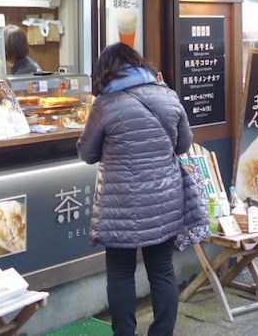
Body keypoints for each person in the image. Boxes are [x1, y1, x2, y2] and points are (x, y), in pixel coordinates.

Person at [77, 43, 203, 336]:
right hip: (164, 199)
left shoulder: (105, 105)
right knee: (161, 270)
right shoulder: (168, 96)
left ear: (106, 72)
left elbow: (87, 154)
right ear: (138, 64)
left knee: (120, 274)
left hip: (121, 204)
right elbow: (183, 145)